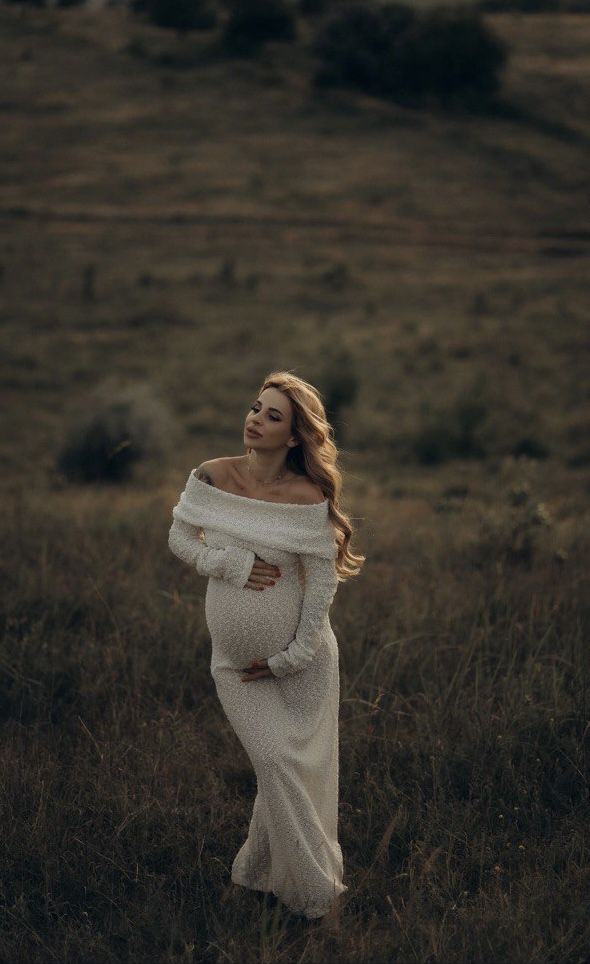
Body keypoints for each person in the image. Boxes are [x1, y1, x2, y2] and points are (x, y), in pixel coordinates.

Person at [168, 370, 365, 921]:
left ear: (296, 436)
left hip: (303, 663)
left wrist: (291, 657)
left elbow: (321, 583)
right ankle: (322, 902)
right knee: (278, 763)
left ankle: (252, 878)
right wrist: (231, 562)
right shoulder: (211, 476)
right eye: (256, 408)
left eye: (272, 415)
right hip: (236, 666)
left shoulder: (306, 497)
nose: (255, 420)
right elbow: (180, 536)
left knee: (293, 774)